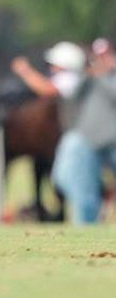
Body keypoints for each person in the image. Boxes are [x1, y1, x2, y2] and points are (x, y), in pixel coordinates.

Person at [51, 39, 116, 224]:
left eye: (105, 56)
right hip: (88, 139)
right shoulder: (86, 78)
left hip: (112, 139)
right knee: (78, 184)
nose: (101, 61)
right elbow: (71, 96)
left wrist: (102, 76)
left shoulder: (107, 78)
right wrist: (88, 76)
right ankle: (87, 224)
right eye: (98, 57)